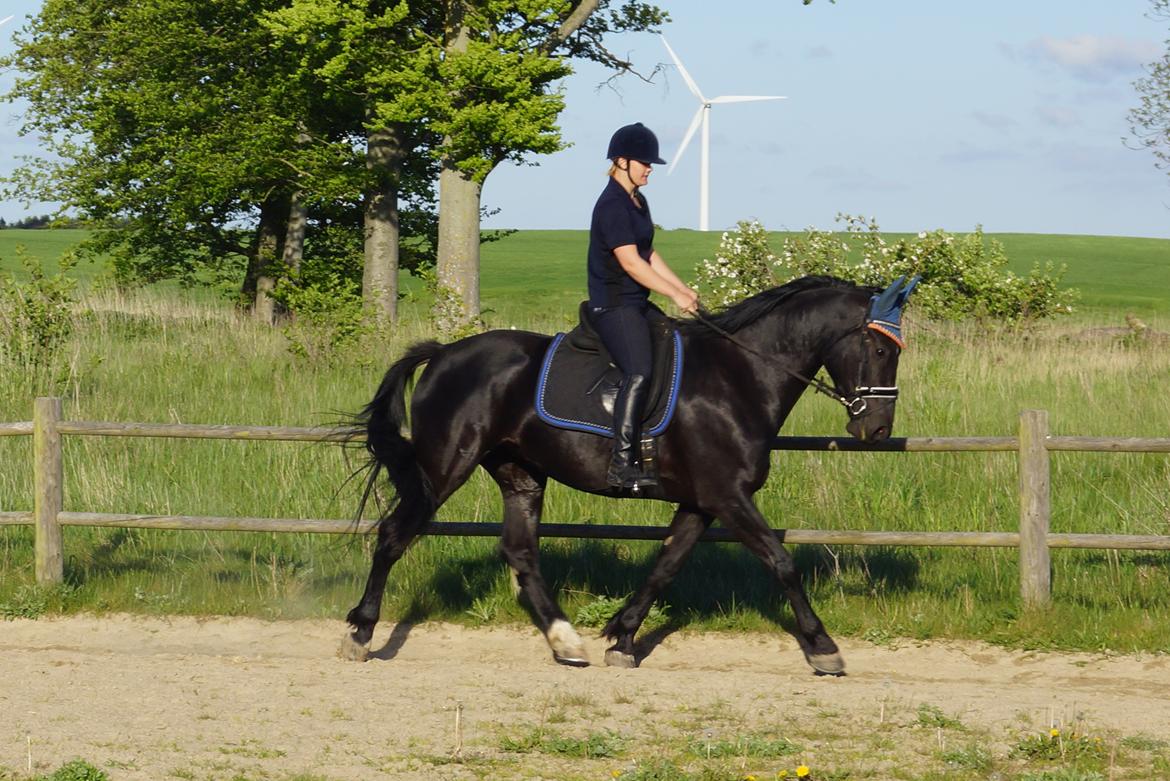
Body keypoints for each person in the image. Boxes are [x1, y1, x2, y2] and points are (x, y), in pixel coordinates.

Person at [587, 122, 699, 491]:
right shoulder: (612, 206)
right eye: (644, 162)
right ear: (621, 161)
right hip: (614, 305)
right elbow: (631, 264)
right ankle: (621, 465)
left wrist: (683, 288)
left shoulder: (637, 200)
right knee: (638, 371)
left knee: (677, 347)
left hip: (636, 303)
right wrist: (673, 296)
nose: (650, 168)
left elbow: (648, 253)